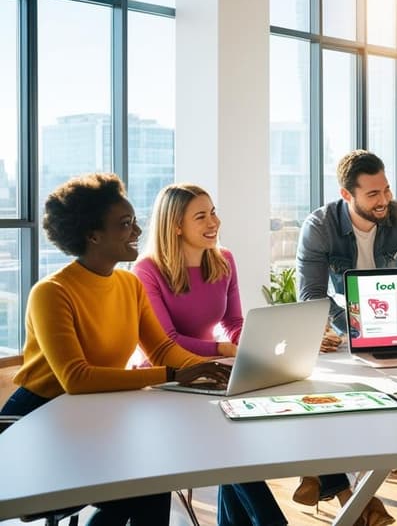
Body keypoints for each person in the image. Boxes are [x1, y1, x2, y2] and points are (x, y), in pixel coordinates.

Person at [0, 173, 231, 525]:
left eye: (135, 221)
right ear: (93, 235)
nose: (138, 232)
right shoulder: (52, 292)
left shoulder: (128, 284)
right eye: (125, 224)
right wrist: (174, 375)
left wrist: (211, 370)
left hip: (98, 413)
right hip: (38, 420)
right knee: (139, 484)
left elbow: (163, 347)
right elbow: (75, 378)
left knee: (154, 477)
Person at [296, 150, 397, 525]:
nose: (384, 200)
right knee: (332, 391)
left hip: (389, 325)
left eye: (386, 189)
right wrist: (351, 326)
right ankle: (357, 493)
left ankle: (323, 476)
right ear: (348, 195)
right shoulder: (320, 226)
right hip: (344, 329)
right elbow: (311, 296)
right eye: (373, 194)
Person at [133, 183, 285, 526]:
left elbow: (233, 321)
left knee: (239, 433)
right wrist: (223, 349)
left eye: (213, 211)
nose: (213, 221)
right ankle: (271, 521)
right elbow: (166, 342)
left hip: (213, 372)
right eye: (200, 216)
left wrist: (252, 343)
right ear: (175, 225)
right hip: (166, 379)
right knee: (229, 439)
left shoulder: (224, 260)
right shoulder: (148, 270)